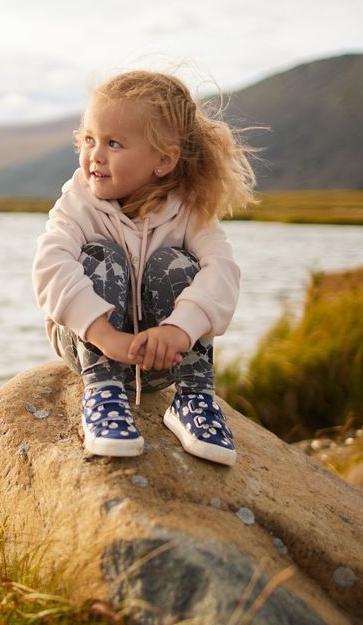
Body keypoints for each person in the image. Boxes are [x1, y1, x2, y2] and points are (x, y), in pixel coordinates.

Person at [32, 70, 256, 466]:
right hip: (91, 346)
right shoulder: (78, 204)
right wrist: (104, 335)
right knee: (99, 255)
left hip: (165, 357)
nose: (94, 155)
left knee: (176, 263)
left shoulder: (188, 211)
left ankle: (194, 398)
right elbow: (49, 265)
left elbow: (223, 272)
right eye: (88, 140)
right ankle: (103, 394)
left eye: (113, 143)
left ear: (164, 160)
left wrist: (178, 330)